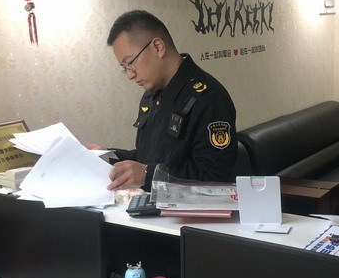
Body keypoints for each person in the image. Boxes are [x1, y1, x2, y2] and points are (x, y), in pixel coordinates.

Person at [90, 10, 238, 190]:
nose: (130, 75)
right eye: (124, 68)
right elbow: (148, 157)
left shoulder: (208, 98)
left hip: (192, 208)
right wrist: (107, 156)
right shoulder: (151, 95)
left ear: (158, 47)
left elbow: (214, 177)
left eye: (130, 63)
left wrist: (148, 175)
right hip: (155, 204)